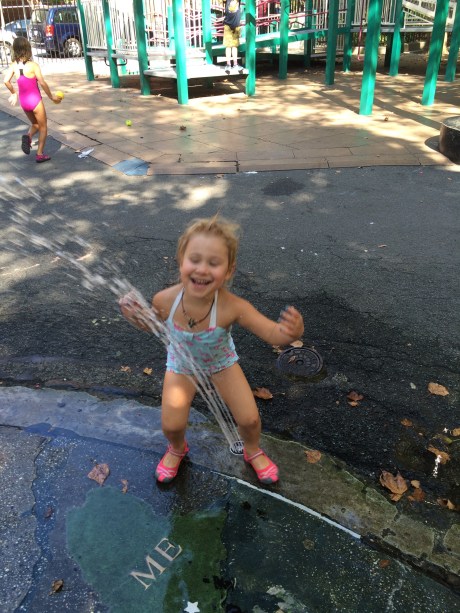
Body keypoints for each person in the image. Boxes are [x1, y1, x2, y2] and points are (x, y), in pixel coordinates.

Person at [120, 216, 304, 485]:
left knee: (250, 420)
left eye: (214, 263)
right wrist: (135, 316)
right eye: (194, 259)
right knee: (171, 424)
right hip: (182, 366)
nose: (202, 269)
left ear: (229, 271)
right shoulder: (165, 300)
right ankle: (177, 448)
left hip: (221, 363)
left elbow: (271, 333)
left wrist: (291, 333)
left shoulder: (232, 306)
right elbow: (153, 326)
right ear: (181, 261)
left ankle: (252, 450)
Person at [3, 37, 61, 163]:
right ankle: (39, 154)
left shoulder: (13, 66)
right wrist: (51, 96)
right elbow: (42, 83)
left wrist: (14, 93)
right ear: (28, 49)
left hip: (24, 102)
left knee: (35, 124)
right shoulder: (33, 66)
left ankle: (28, 136)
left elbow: (6, 81)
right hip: (35, 101)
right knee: (43, 127)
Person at [223, 0, 243, 74]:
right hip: (228, 26)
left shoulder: (238, 1)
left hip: (236, 26)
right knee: (228, 46)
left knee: (234, 46)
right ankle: (228, 64)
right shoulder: (227, 1)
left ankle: (235, 64)